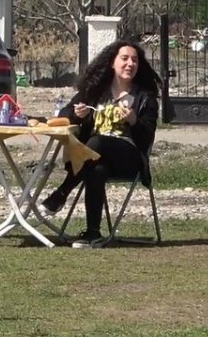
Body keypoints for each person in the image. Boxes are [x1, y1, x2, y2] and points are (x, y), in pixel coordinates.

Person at [38, 40, 161, 248]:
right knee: (96, 167)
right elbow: (64, 114)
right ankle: (93, 234)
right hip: (93, 159)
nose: (130, 64)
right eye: (124, 59)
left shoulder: (145, 97)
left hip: (129, 157)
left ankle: (62, 192)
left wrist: (133, 121)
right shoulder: (95, 92)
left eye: (134, 60)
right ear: (112, 63)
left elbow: (147, 137)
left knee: (97, 142)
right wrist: (77, 115)